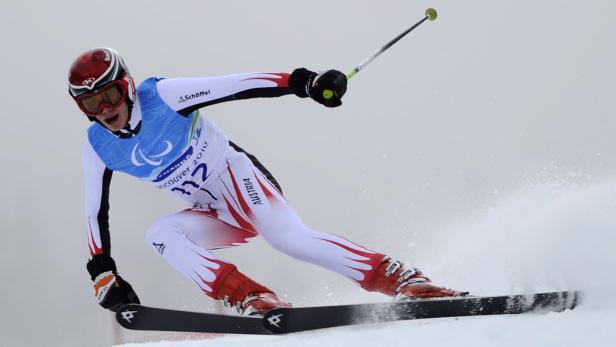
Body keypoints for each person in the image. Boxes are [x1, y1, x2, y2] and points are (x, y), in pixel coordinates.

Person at [69, 47, 460, 316]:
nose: (105, 110)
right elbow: (93, 212)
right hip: (211, 211)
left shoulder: (165, 96)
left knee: (289, 239)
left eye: (110, 94)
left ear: (128, 85)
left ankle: (402, 279)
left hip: (239, 178)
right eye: (91, 103)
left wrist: (304, 83)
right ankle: (253, 297)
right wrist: (102, 271)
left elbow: (237, 84)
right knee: (160, 235)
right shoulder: (97, 146)